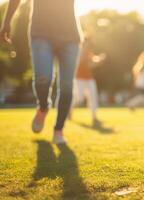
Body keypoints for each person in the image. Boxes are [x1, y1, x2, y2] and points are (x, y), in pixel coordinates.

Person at [0, 0, 82, 144]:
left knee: (67, 87)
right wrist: (7, 21)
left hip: (70, 36)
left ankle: (58, 130)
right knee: (42, 79)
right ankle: (43, 107)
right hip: (41, 33)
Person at [70, 37, 106, 127]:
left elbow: (92, 62)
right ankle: (69, 110)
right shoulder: (79, 51)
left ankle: (94, 117)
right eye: (87, 43)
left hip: (89, 78)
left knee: (93, 97)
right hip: (79, 78)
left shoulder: (88, 52)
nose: (89, 45)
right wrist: (96, 60)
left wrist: (100, 59)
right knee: (79, 98)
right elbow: (84, 63)